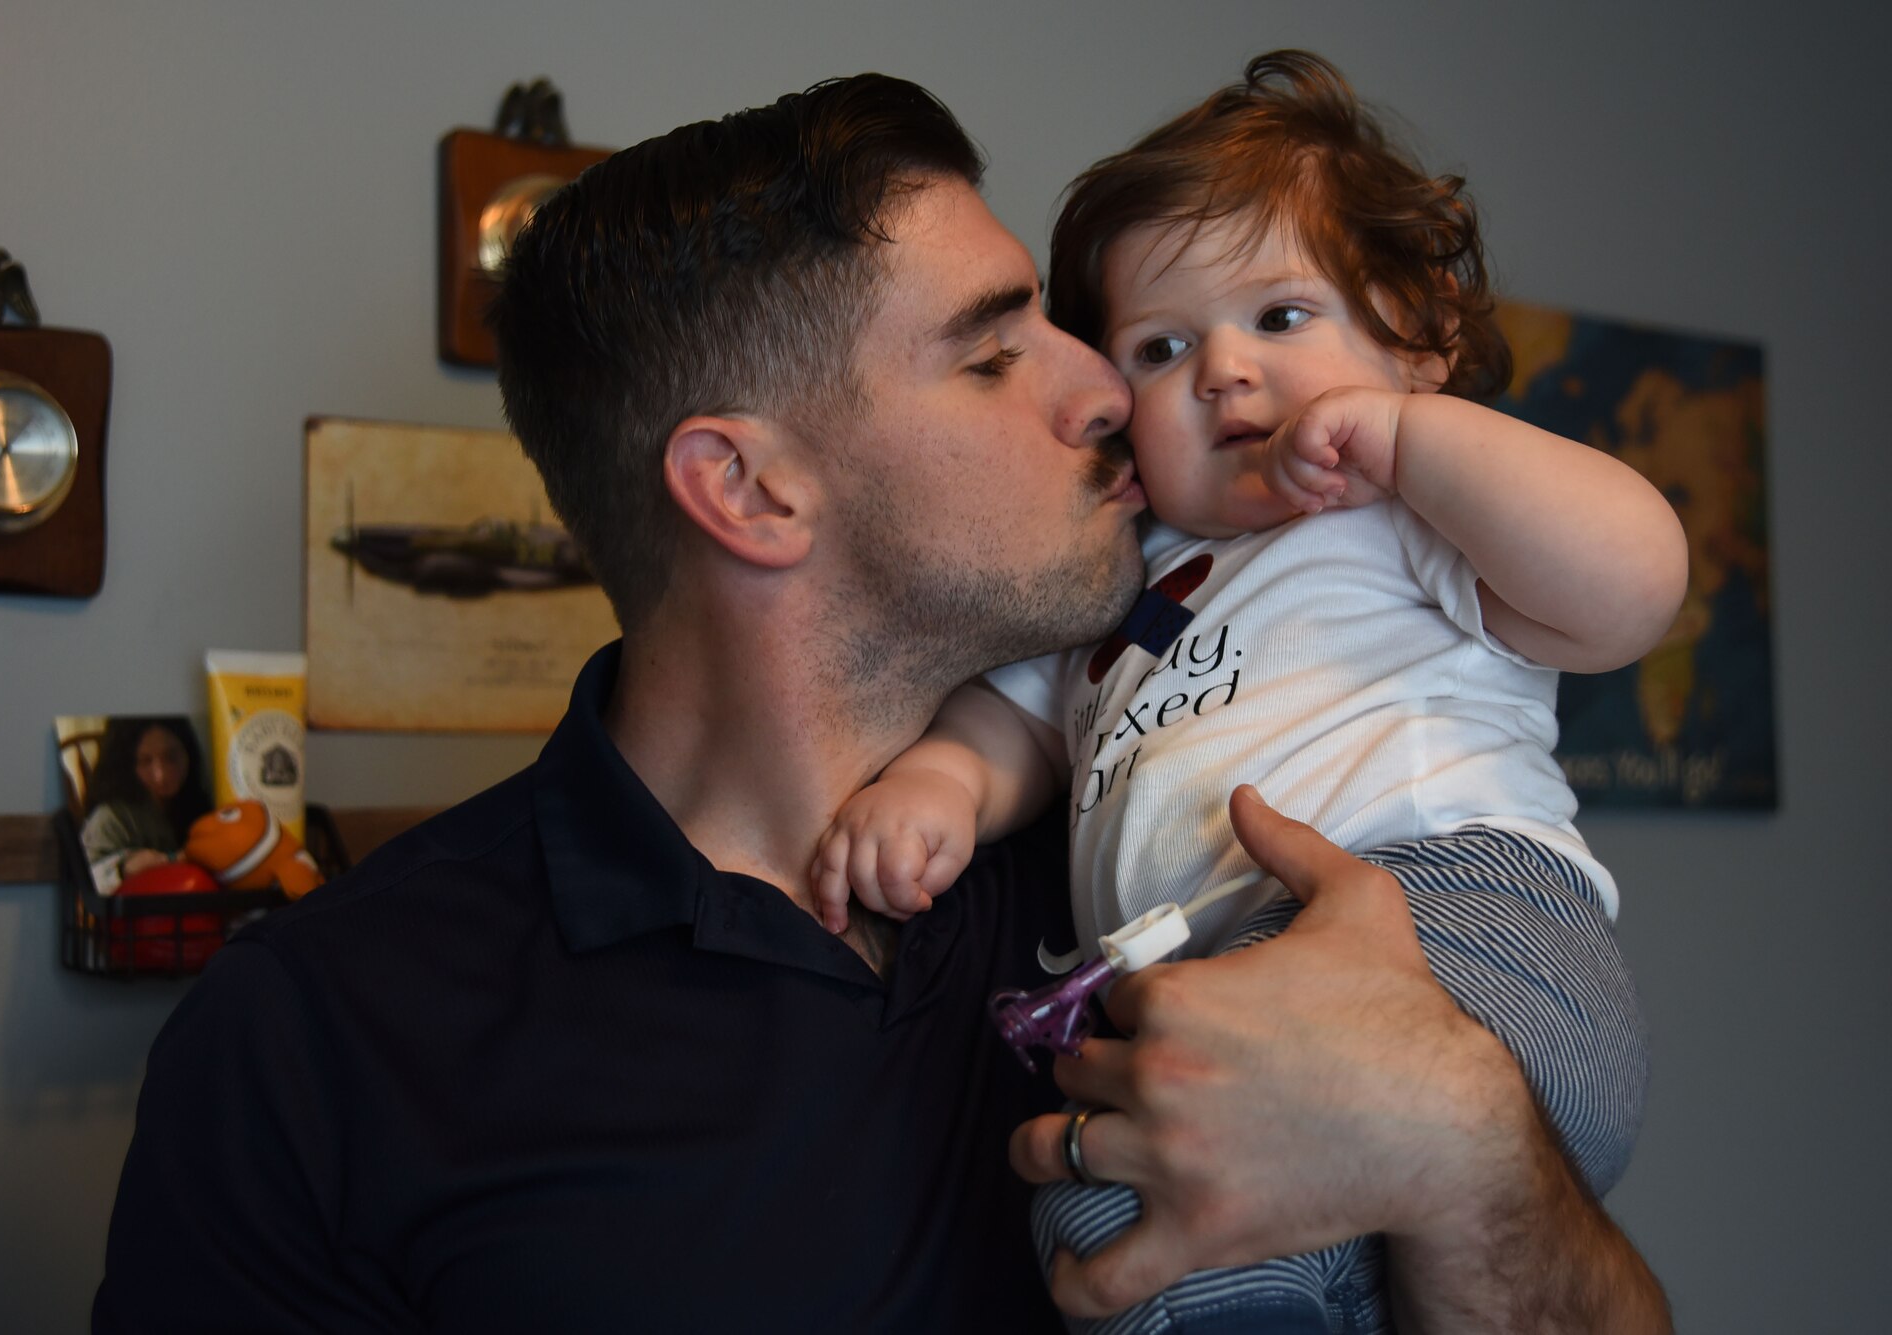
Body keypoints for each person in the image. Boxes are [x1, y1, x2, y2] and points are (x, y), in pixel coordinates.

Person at [94, 73, 1671, 1332]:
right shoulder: (317, 1040)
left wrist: (1466, 1143)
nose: (1113, 392)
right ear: (751, 487)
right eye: (998, 357)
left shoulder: (1135, 866)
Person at [812, 51, 1685, 1332]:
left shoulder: (1410, 510)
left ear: (1422, 339)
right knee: (1104, 1204)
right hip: (1219, 987)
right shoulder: (1117, 582)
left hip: (1463, 924)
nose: (1222, 371)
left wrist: (1413, 439)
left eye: (1279, 319)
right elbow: (1013, 723)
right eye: (1161, 348)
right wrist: (939, 785)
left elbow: (1629, 586)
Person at [78, 715, 213, 894]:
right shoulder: (110, 818)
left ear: (188, 753)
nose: (161, 776)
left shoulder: (200, 804)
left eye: (171, 757)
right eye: (145, 761)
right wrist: (123, 870)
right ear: (127, 765)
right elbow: (85, 883)